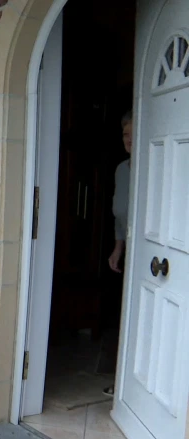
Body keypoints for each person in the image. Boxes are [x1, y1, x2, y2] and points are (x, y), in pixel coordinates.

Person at [102, 110, 132, 396]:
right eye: (125, 134)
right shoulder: (122, 170)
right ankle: (121, 381)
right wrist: (117, 248)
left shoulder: (156, 164)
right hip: (128, 251)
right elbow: (119, 215)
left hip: (150, 253)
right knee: (122, 315)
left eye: (134, 133)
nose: (129, 139)